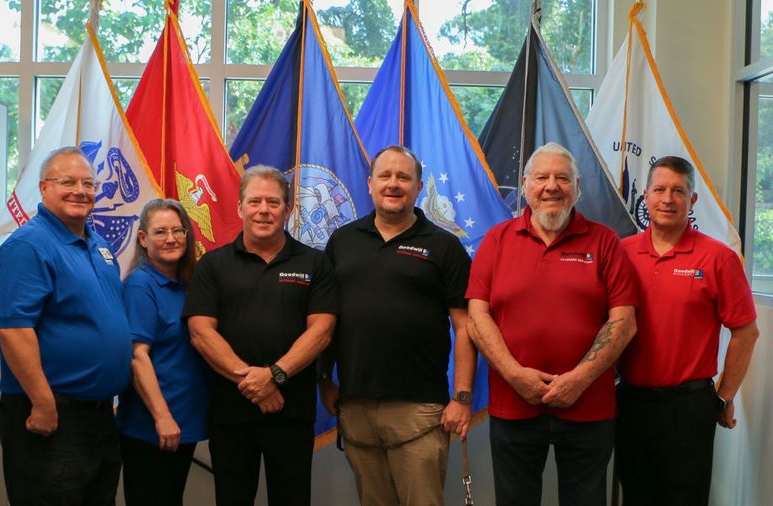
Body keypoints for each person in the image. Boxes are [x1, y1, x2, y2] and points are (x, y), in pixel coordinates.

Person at [466, 142, 638, 506]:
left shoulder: (605, 242)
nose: (551, 186)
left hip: (588, 407)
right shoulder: (496, 240)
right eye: (542, 177)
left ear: (578, 187)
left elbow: (623, 322)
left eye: (563, 178)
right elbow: (477, 318)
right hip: (514, 405)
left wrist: (578, 380)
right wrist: (515, 375)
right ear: (526, 184)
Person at [318, 145, 476, 506]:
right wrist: (323, 378)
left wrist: (463, 398)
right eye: (385, 176)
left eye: (403, 177)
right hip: (354, 403)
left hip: (420, 409)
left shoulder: (445, 246)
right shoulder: (342, 241)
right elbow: (325, 319)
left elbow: (466, 327)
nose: (393, 184)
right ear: (370, 184)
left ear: (419, 186)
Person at [183, 165, 338, 506]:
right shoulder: (213, 264)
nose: (263, 210)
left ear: (288, 208)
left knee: (292, 500)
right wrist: (256, 384)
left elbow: (322, 331)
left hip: (292, 412)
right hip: (230, 413)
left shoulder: (315, 263)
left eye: (273, 201)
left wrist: (275, 375)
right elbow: (200, 333)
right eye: (254, 202)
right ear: (240, 208)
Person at [0, 146, 132, 505]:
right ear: (44, 187)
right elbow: (14, 330)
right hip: (52, 416)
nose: (80, 191)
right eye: (67, 181)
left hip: (98, 418)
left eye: (88, 183)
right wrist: (43, 403)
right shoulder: (29, 246)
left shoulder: (99, 246)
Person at [616, 156, 759, 506]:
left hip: (690, 405)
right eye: (660, 189)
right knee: (635, 495)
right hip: (630, 401)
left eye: (678, 191)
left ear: (692, 200)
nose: (668, 199)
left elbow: (746, 332)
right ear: (645, 196)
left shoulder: (718, 258)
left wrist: (723, 397)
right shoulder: (621, 252)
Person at [116, 199, 208, 506]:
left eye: (177, 230)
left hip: (184, 422)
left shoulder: (185, 284)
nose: (171, 238)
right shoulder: (140, 286)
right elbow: (135, 356)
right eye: (160, 232)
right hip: (152, 427)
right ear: (143, 238)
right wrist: (162, 417)